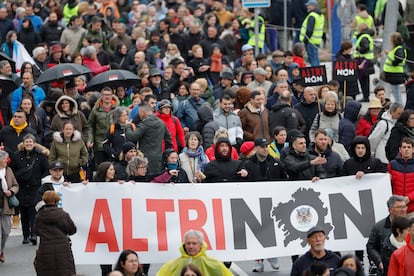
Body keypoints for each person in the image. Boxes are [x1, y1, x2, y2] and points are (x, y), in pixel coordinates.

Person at [10, 134, 48, 245]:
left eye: (31, 142)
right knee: (24, 212)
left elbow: (45, 170)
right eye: (26, 142)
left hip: (35, 187)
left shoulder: (40, 156)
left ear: (34, 143)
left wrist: (42, 183)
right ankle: (25, 235)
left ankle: (34, 234)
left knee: (33, 212)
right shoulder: (16, 156)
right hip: (21, 187)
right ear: (23, 143)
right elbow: (12, 170)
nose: (28, 144)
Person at [34, 191, 76, 276]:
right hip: (63, 247)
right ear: (57, 200)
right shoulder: (63, 214)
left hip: (45, 247)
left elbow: (37, 231)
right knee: (64, 270)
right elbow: (72, 230)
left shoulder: (40, 216)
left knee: (47, 271)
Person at [157, 229, 233, 276]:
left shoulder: (214, 264)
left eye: (194, 243)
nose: (191, 246)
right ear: (184, 244)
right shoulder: (171, 265)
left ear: (200, 244)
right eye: (188, 243)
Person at [126, 102, 173, 173]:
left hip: (144, 158)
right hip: (158, 158)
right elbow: (169, 139)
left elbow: (132, 137)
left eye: (139, 112)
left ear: (142, 112)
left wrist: (128, 126)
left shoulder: (145, 124)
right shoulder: (161, 123)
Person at [366, 195, 408, 274]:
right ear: (390, 210)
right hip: (387, 269)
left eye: (404, 206)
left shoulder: (411, 226)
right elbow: (371, 247)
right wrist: (379, 262)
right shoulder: (379, 227)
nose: (403, 210)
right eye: (399, 207)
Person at [87, 87, 119, 166]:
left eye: (109, 95)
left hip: (113, 143)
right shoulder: (95, 110)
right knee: (101, 167)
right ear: (102, 96)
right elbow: (90, 126)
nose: (107, 97)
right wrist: (90, 139)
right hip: (99, 143)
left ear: (112, 96)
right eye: (105, 95)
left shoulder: (117, 110)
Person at [0, 150, 19, 263]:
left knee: (6, 232)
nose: (6, 161)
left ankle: (1, 250)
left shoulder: (8, 171)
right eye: (4, 159)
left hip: (6, 205)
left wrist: (11, 191)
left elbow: (16, 185)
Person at [388, 137, 414, 218]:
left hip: (412, 209)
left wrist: (409, 198)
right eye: (404, 147)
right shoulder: (392, 165)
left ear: (413, 150)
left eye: (409, 147)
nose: (406, 149)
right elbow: (387, 186)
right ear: (400, 149)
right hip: (397, 209)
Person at [383, 32, 407, 104]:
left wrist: (394, 63)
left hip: (395, 74)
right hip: (394, 74)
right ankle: (399, 105)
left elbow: (399, 58)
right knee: (395, 91)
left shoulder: (399, 49)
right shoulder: (397, 48)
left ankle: (399, 106)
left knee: (396, 92)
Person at [299, 0, 324, 66]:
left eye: (308, 5)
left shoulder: (312, 16)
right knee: (315, 58)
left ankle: (315, 73)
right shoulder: (320, 15)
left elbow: (309, 30)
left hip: (311, 40)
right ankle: (318, 72)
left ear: (313, 6)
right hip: (316, 40)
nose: (307, 7)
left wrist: (305, 39)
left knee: (313, 58)